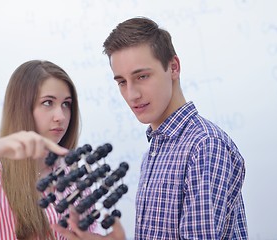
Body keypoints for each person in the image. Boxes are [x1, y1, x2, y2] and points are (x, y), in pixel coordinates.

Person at [53, 17, 248, 239]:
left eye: (142, 76)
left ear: (173, 67)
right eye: (122, 82)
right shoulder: (155, 152)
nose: (131, 94)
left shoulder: (204, 146)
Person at [0, 60, 95, 239]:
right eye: (48, 103)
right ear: (21, 108)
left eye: (66, 104)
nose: (61, 116)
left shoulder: (75, 176)